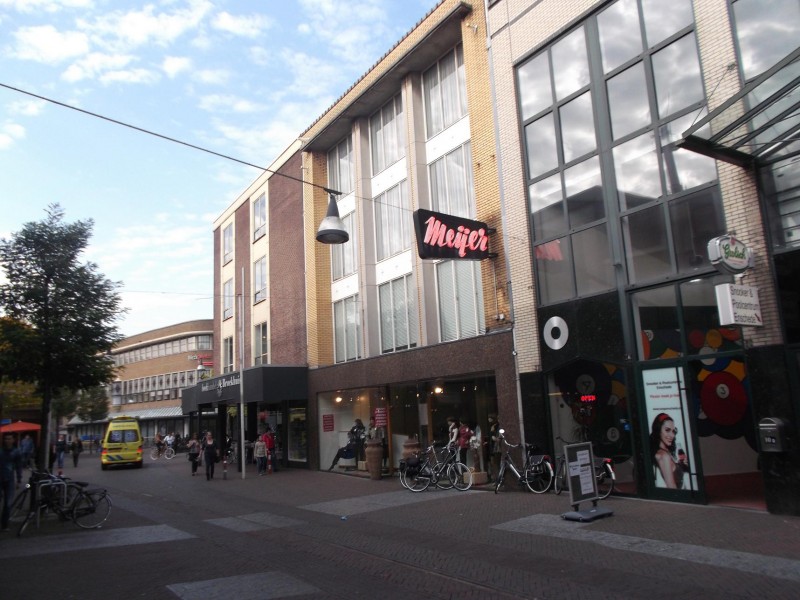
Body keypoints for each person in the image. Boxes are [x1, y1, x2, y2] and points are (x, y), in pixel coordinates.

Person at [650, 413, 688, 489]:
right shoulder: (663, 456)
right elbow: (672, 488)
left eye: (674, 431)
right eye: (667, 430)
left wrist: (683, 465)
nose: (672, 435)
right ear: (658, 430)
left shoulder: (667, 451)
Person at [1, 433, 23, 532]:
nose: (7, 441)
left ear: (13, 440)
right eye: (6, 439)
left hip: (10, 479)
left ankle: (4, 524)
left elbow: (19, 466)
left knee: (8, 503)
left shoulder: (16, 452)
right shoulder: (1, 451)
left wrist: (19, 479)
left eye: (9, 439)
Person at [487, 414, 501, 483]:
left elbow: (494, 437)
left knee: (496, 463)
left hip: (496, 447)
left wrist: (494, 437)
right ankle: (496, 478)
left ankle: (497, 479)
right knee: (494, 463)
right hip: (493, 447)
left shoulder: (496, 426)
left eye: (490, 418)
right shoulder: (494, 426)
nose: (488, 419)